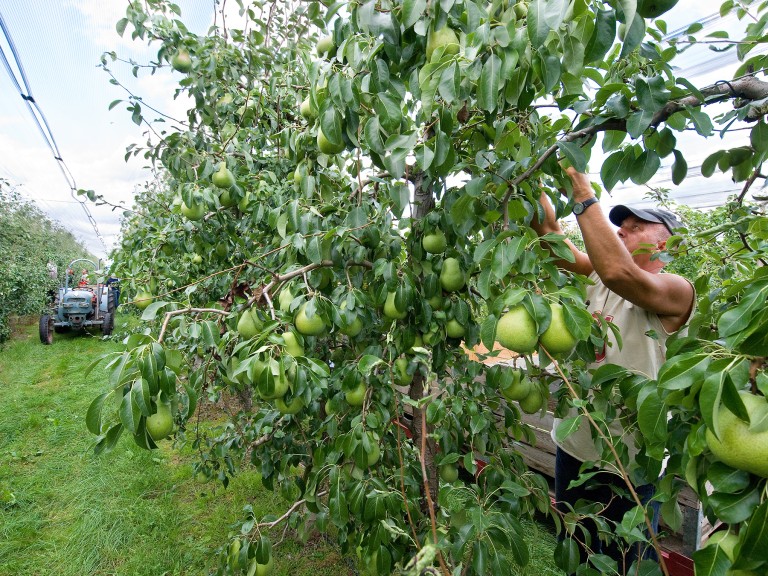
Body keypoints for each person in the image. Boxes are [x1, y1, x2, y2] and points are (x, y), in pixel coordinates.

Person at [531, 168, 696, 574]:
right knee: (576, 553)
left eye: (635, 227)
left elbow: (620, 272)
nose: (621, 232)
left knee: (626, 563)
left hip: (630, 467)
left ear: (666, 243)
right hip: (574, 450)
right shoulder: (600, 280)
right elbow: (552, 238)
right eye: (620, 227)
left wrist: (583, 193)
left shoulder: (676, 290)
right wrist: (529, 177)